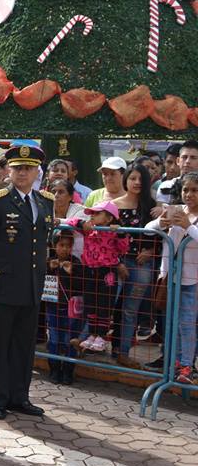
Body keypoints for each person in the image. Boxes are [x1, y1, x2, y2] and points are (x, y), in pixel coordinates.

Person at [0, 145, 55, 420]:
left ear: (36, 172)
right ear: (9, 170)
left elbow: (42, 240)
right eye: (17, 168)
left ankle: (20, 396)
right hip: (3, 284)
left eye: (28, 168)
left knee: (23, 344)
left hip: (31, 285)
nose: (22, 173)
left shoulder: (44, 201)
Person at [147, 172, 198, 383]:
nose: (189, 194)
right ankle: (175, 362)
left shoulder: (188, 218)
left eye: (195, 190)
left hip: (192, 280)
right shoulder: (177, 211)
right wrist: (161, 222)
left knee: (187, 323)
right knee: (173, 323)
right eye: (186, 190)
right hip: (170, 278)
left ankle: (187, 365)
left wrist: (188, 226)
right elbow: (148, 230)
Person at [112, 162, 161, 369]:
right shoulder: (114, 205)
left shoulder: (153, 207)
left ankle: (123, 353)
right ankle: (87, 344)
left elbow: (163, 237)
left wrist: (151, 252)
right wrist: (117, 261)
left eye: (141, 179)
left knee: (130, 310)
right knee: (106, 304)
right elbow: (105, 238)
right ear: (126, 180)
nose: (137, 182)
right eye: (133, 178)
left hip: (143, 265)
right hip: (116, 263)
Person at [65, 202, 129, 354]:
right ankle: (92, 334)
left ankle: (101, 335)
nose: (92, 216)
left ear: (108, 219)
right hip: (90, 271)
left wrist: (119, 233)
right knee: (91, 303)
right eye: (91, 213)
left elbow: (123, 248)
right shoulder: (89, 230)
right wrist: (82, 223)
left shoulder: (113, 231)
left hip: (106, 272)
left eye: (96, 213)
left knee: (104, 304)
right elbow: (70, 221)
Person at [44, 230, 83, 385]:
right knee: (53, 338)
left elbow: (81, 284)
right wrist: (49, 268)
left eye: (68, 246)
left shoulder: (76, 263)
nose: (65, 249)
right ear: (54, 246)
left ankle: (68, 371)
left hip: (70, 309)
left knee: (69, 339)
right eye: (61, 245)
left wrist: (71, 272)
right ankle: (54, 369)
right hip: (52, 308)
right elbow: (41, 280)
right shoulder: (48, 261)